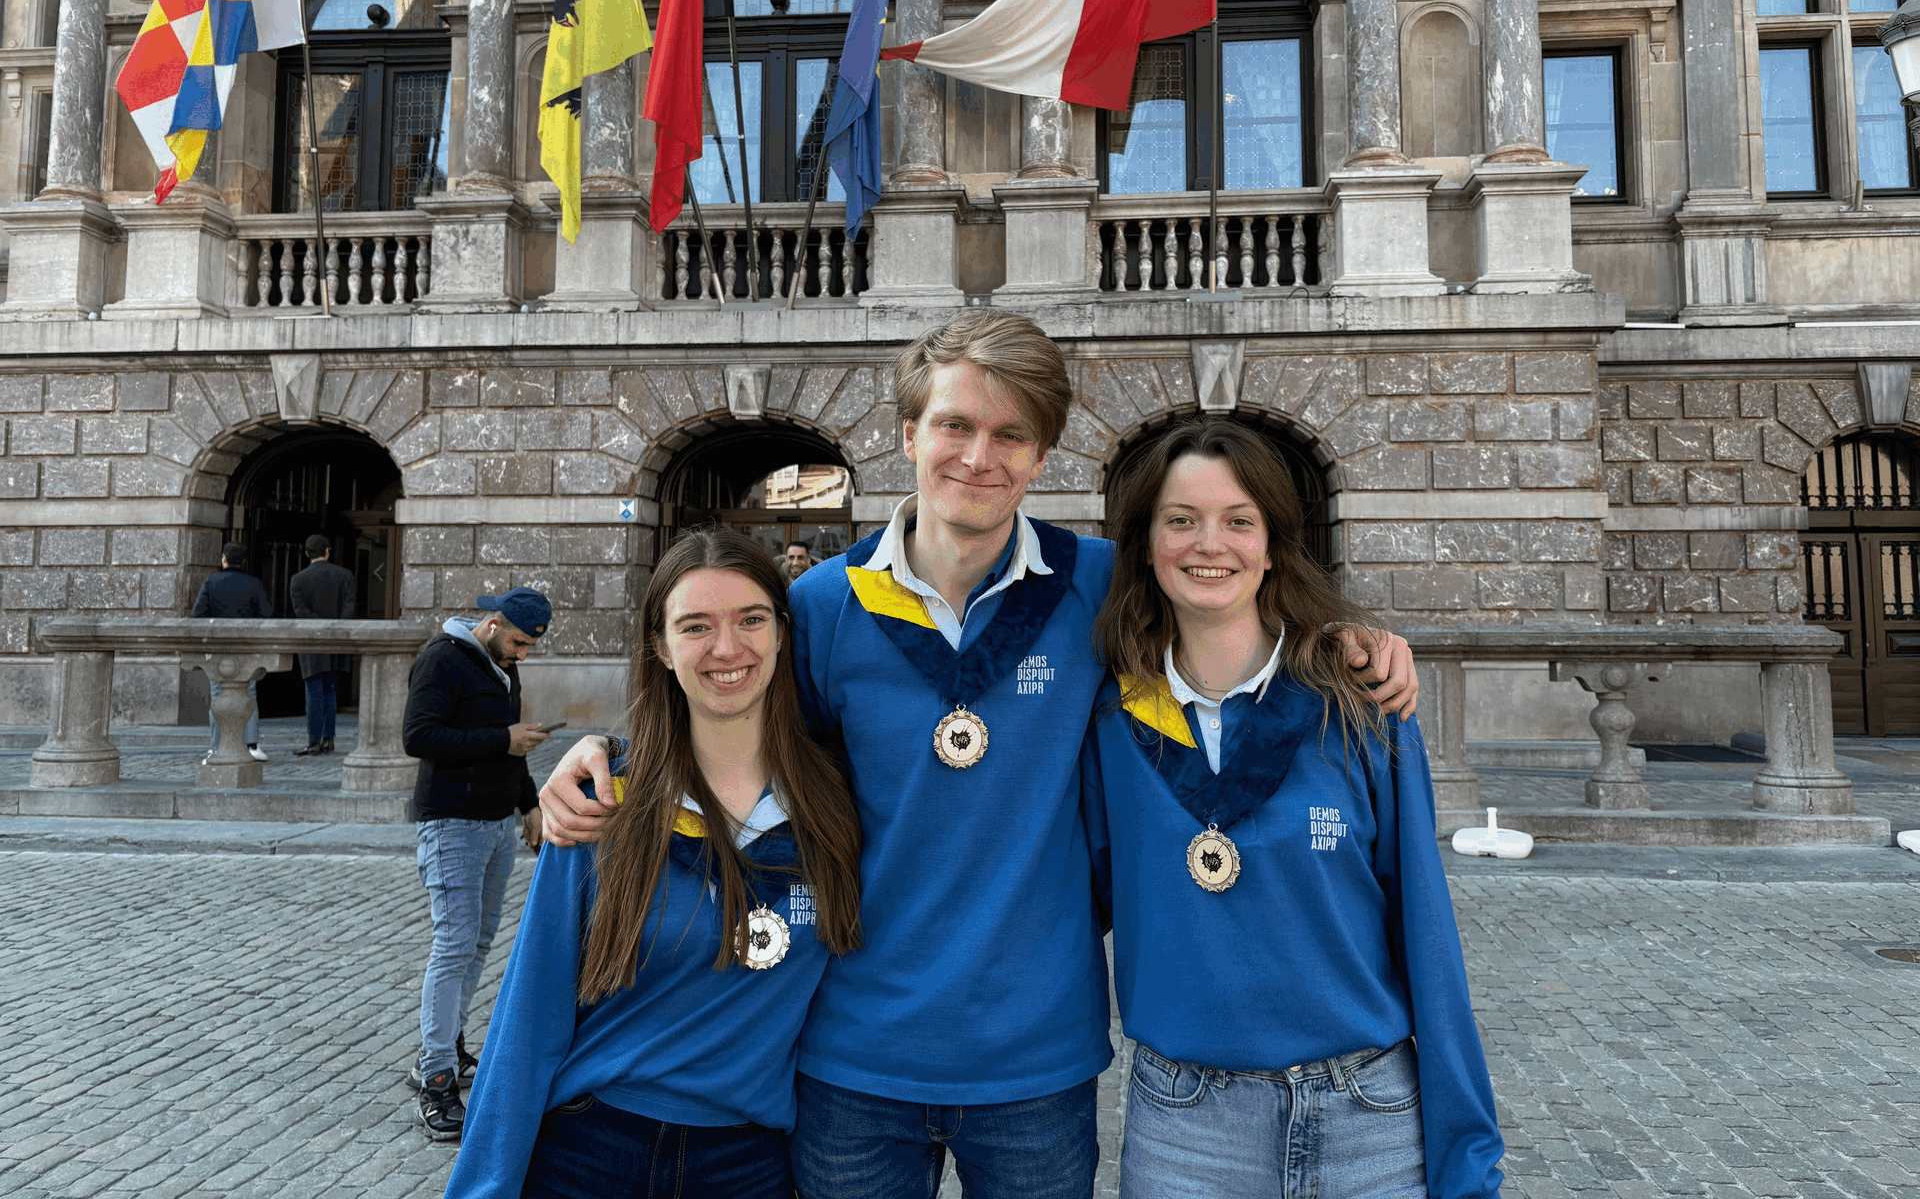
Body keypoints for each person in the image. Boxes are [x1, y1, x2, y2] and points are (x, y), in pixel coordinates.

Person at [540, 311, 1419, 1198]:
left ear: (1042, 456)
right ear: (909, 434)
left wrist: (1345, 641)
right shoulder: (824, 606)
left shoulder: (1099, 585)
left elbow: (1226, 602)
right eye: (955, 425)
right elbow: (730, 721)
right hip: (853, 1055)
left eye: (1011, 435)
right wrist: (606, 754)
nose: (977, 456)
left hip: (1037, 1060)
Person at [1085, 418, 1503, 1199]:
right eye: (1181, 520)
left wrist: (1467, 1153)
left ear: (1274, 545)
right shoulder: (1108, 719)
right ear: (1144, 545)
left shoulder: (1361, 704)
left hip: (1368, 1122)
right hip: (1185, 1135)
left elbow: (1426, 932)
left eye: (1239, 521)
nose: (1210, 544)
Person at [443, 530, 863, 1198]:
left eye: (751, 619)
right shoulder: (602, 801)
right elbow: (530, 1015)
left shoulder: (839, 803)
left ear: (783, 633)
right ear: (662, 648)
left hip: (749, 1166)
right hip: (589, 1154)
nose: (727, 648)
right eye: (695, 626)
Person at [403, 586, 555, 1142]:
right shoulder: (441, 659)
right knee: (454, 945)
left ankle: (446, 1045)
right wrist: (501, 738)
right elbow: (418, 736)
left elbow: (512, 751)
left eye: (530, 646)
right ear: (493, 625)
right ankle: (436, 1080)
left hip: (496, 825)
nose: (523, 654)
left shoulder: (504, 669)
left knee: (479, 943)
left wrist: (530, 804)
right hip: (451, 824)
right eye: (518, 642)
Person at [189, 542, 272, 763]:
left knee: (218, 694)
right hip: (247, 649)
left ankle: (216, 746)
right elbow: (266, 616)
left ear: (223, 558)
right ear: (243, 561)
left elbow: (197, 616)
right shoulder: (254, 584)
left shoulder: (211, 582)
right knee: (249, 693)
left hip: (218, 649)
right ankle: (252, 745)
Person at [289, 533, 355, 756]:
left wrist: (322, 628)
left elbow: (301, 612)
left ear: (307, 553)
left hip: (312, 641)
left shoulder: (297, 579)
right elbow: (348, 609)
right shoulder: (344, 575)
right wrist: (335, 629)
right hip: (336, 640)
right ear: (327, 551)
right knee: (330, 690)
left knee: (314, 691)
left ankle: (314, 740)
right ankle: (328, 738)